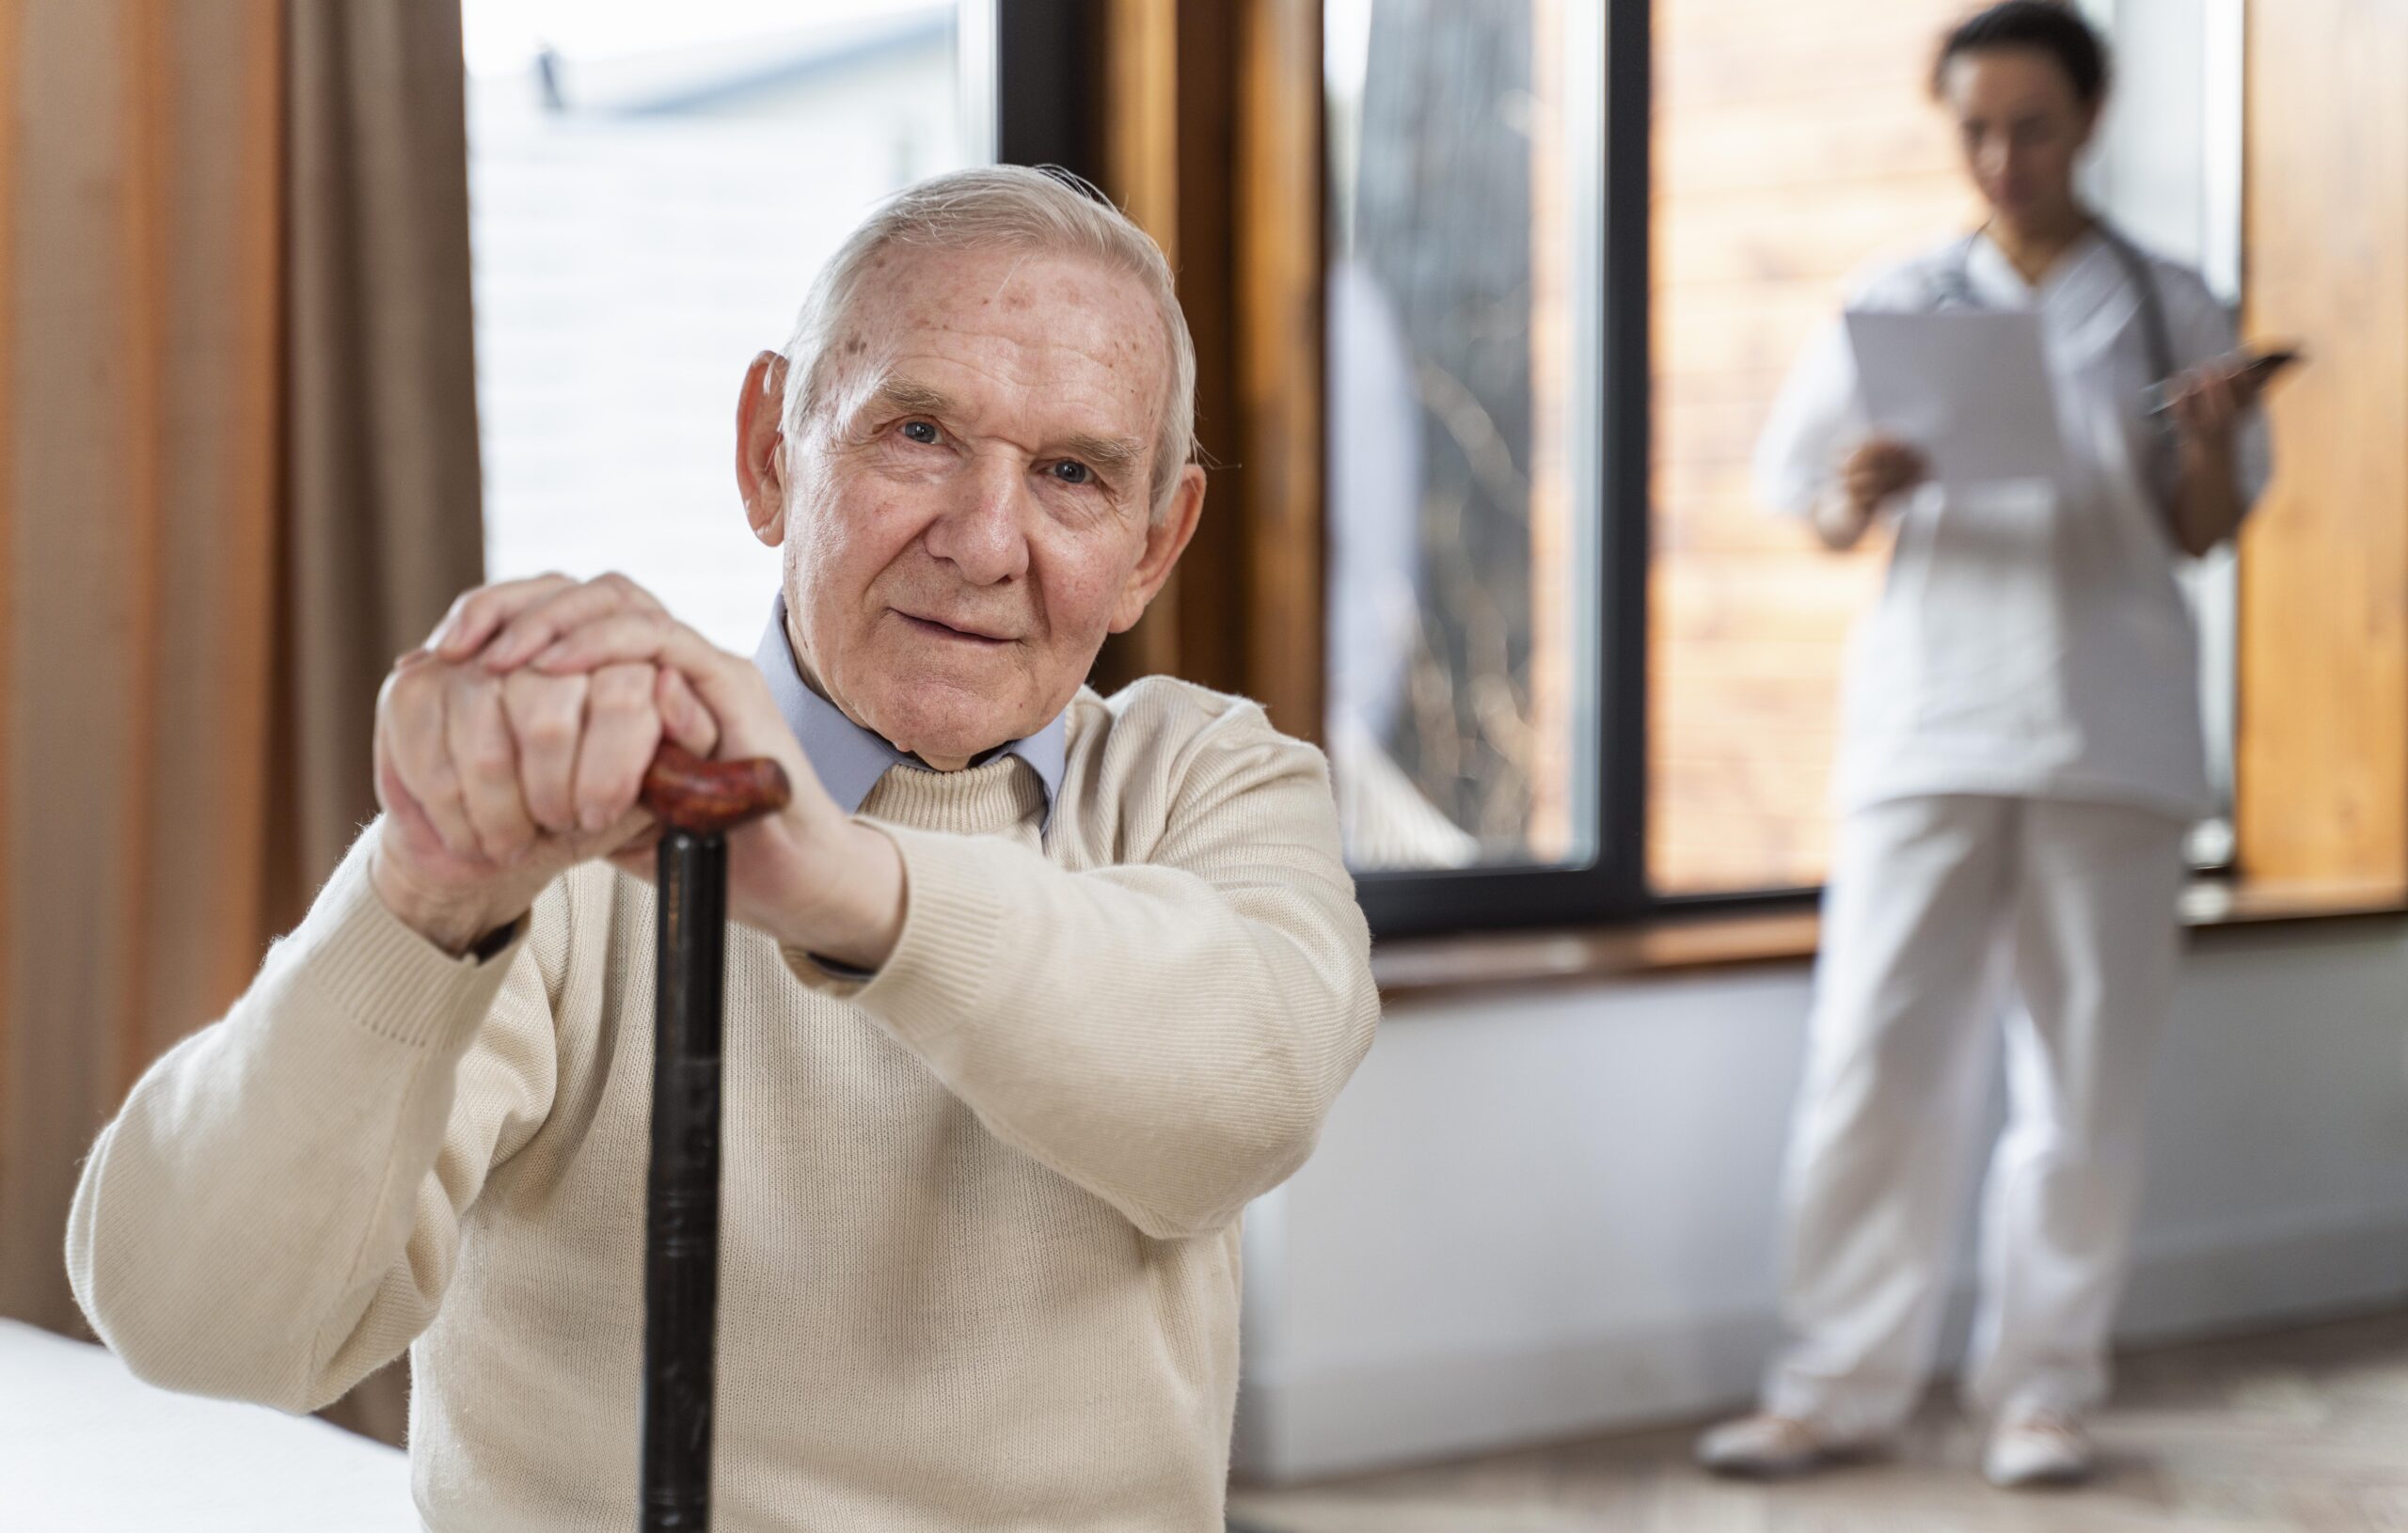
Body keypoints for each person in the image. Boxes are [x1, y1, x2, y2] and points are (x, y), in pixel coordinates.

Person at [66, 166, 1381, 1531]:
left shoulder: (1205, 780)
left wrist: (833, 885)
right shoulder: (586, 820)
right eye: (918, 431)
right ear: (771, 452)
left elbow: (1246, 1087)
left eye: (1070, 474)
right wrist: (424, 895)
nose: (987, 542)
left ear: (1153, 546)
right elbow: (192, 1320)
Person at [1695, 2, 2273, 1490]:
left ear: (2090, 123)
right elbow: (1813, 506)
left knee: (2081, 1083)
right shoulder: (1900, 300)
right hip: (1928, 728)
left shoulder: (2171, 300)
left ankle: (2043, 1389)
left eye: (2033, 126)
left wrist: (2206, 436)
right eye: (1977, 129)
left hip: (2112, 734)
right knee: (1874, 1061)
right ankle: (1833, 1384)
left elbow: (2205, 531)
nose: (2003, 157)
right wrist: (1862, 485)